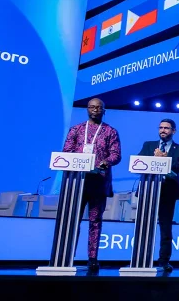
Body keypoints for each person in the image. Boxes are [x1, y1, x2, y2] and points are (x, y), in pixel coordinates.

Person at [62, 98, 121, 272]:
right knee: (73, 220)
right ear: (87, 109)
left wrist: (104, 162)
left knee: (95, 221)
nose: (95, 110)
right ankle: (67, 256)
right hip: (76, 183)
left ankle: (92, 258)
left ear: (104, 111)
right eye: (92, 107)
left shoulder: (110, 131)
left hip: (98, 182)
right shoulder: (76, 129)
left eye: (98, 107)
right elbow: (66, 151)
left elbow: (116, 155)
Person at [136, 118, 179, 272]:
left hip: (168, 192)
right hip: (148, 190)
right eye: (161, 127)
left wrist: (166, 159)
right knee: (144, 225)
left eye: (166, 128)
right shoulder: (148, 145)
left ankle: (164, 261)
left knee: (165, 228)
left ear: (174, 131)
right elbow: (138, 161)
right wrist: (154, 159)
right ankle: (140, 259)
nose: (163, 130)